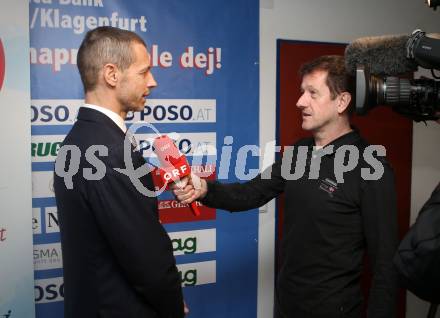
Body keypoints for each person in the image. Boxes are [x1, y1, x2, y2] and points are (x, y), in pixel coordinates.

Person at [174, 55, 399, 318]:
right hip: (287, 305)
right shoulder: (299, 153)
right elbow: (250, 193)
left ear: (342, 101)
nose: (300, 101)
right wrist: (204, 189)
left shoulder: (370, 167)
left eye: (312, 93)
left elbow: (386, 263)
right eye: (302, 92)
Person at [54, 26, 186, 318]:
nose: (152, 82)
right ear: (111, 74)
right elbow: (146, 260)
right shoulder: (112, 152)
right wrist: (173, 306)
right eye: (143, 72)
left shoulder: (76, 140)